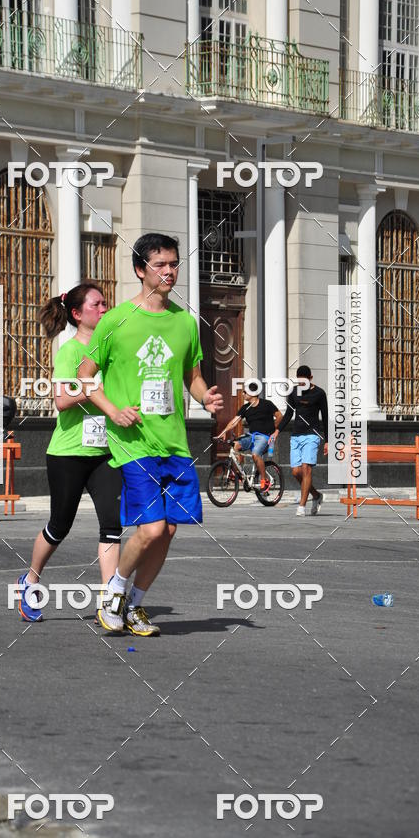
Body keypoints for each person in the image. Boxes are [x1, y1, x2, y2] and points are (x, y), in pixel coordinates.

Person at [78, 232, 223, 636]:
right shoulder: (116, 319)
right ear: (141, 270)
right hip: (133, 439)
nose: (169, 271)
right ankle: (114, 595)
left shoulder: (184, 322)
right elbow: (84, 376)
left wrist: (204, 397)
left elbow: (191, 376)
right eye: (160, 265)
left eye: (174, 263)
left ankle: (135, 607)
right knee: (152, 528)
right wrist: (113, 410)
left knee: (171, 529)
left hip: (173, 439)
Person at [15, 283, 122, 622]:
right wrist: (95, 390)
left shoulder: (111, 349)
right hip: (68, 453)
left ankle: (110, 601)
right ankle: (30, 581)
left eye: (106, 303)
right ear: (78, 314)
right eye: (97, 304)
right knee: (60, 526)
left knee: (112, 525)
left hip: (106, 452)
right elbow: (61, 400)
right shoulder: (71, 352)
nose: (104, 308)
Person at [271, 364, 328, 517]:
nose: (302, 383)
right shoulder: (294, 393)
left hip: (312, 434)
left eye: (305, 381)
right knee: (296, 472)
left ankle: (301, 506)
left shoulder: (319, 393)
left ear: (311, 378)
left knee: (306, 469)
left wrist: (327, 440)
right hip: (296, 435)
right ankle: (316, 495)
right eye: (300, 381)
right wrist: (277, 431)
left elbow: (326, 417)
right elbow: (289, 414)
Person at [217, 387, 282, 488]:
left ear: (253, 393)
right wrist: (224, 431)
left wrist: (274, 431)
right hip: (251, 436)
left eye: (245, 392)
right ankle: (241, 475)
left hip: (264, 436)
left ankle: (265, 480)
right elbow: (234, 422)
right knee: (235, 446)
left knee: (255, 454)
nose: (242, 394)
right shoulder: (245, 408)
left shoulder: (267, 404)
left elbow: (279, 416)